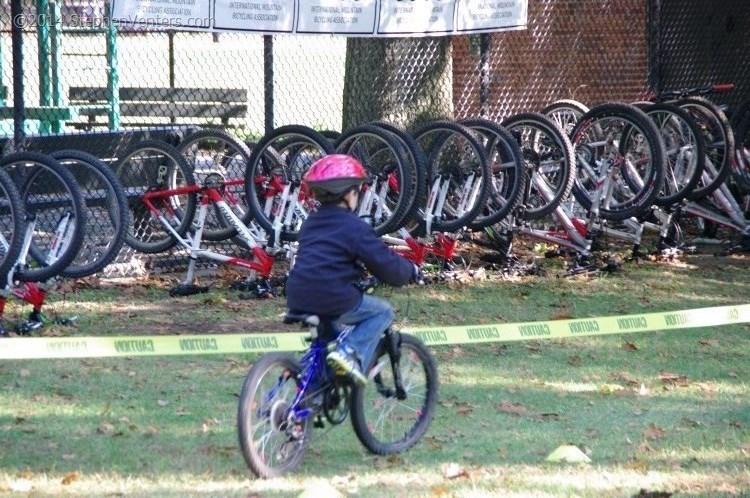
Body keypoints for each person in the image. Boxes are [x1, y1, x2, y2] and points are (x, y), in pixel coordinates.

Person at [285, 154, 421, 386]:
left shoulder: (310, 224)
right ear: (350, 193)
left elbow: (324, 259)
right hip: (334, 297)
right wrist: (410, 271)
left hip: (298, 295)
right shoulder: (355, 227)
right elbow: (384, 263)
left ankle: (306, 399)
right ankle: (349, 351)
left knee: (325, 349)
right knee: (383, 312)